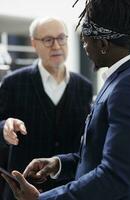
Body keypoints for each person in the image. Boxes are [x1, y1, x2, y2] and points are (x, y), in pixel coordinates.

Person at [3, 0, 130, 199]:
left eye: (84, 40)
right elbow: (97, 150)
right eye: (48, 40)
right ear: (34, 43)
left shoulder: (124, 86)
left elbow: (115, 176)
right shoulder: (117, 80)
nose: (84, 47)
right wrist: (59, 163)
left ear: (103, 44)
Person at [0, 17, 93, 200]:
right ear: (34, 43)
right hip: (21, 190)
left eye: (61, 38)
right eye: (48, 40)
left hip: (67, 190)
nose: (56, 46)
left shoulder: (84, 87)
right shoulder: (13, 83)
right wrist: (3, 127)